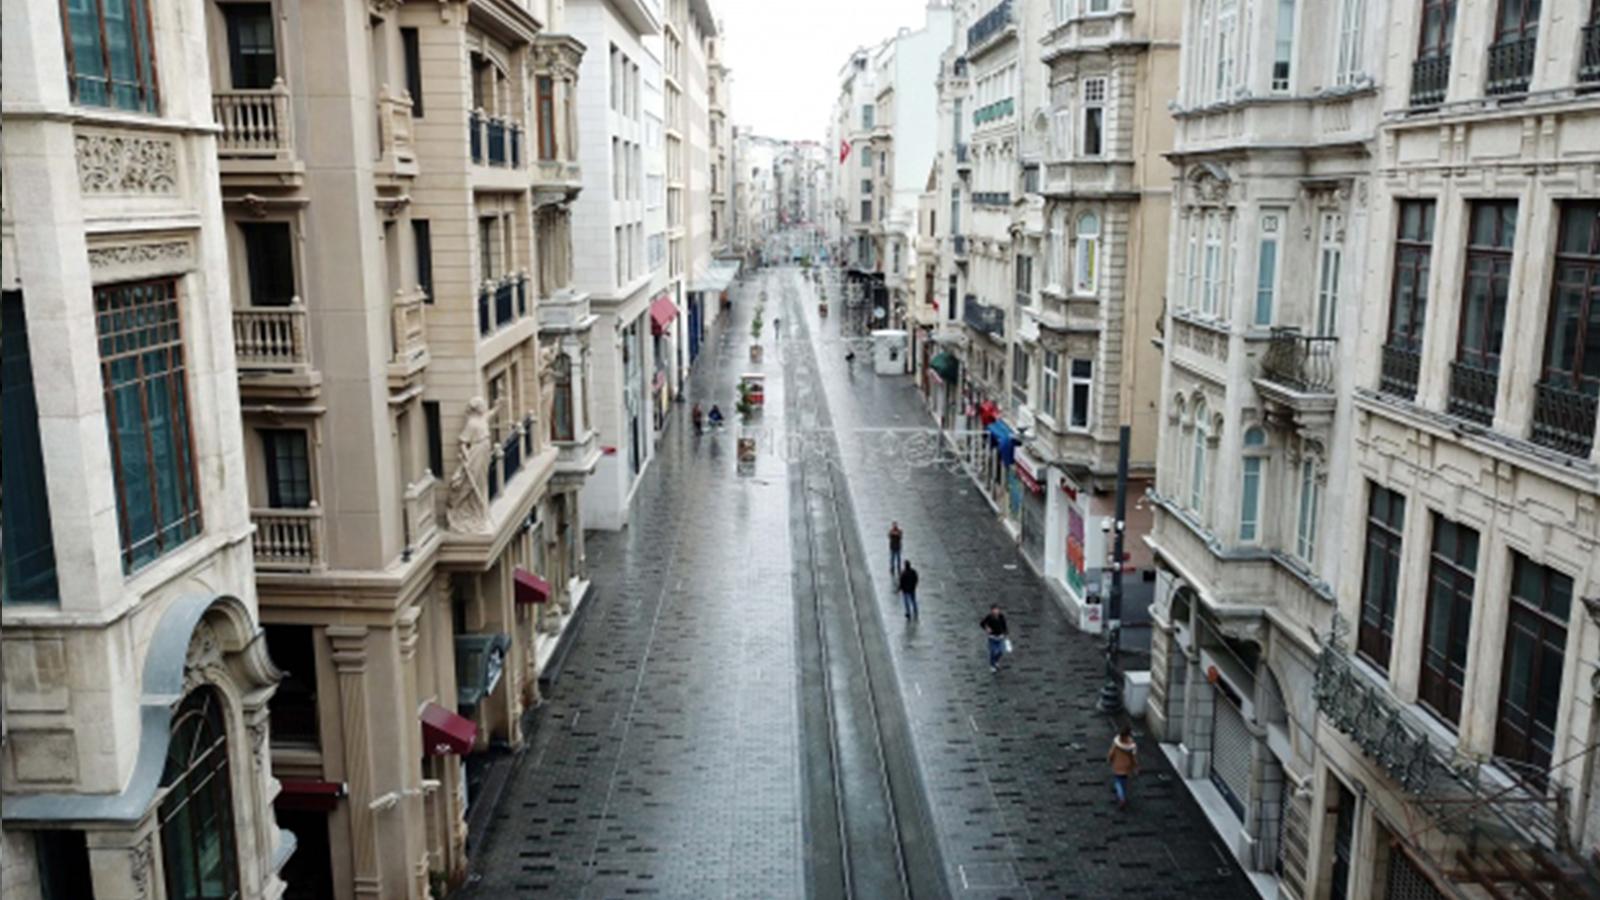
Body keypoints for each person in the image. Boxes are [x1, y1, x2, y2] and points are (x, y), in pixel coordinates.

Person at [1107, 727, 1140, 809]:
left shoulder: (1116, 744)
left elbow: (1111, 753)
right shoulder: (1131, 745)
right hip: (1127, 766)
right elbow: (1133, 757)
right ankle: (1123, 794)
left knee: (1118, 781)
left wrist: (1109, 760)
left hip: (1118, 765)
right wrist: (1135, 766)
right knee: (1124, 781)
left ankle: (1121, 797)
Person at [980, 604, 1008, 672]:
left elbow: (1004, 625)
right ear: (991, 611)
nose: (995, 611)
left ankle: (996, 661)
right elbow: (982, 623)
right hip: (992, 637)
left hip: (1000, 637)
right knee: (993, 651)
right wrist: (987, 628)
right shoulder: (989, 617)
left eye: (997, 609)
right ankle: (992, 665)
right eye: (994, 610)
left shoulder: (1001, 616)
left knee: (1000, 651)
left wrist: (1005, 632)